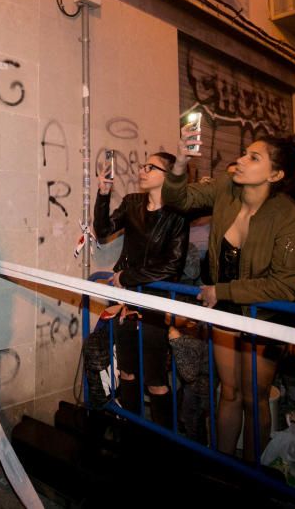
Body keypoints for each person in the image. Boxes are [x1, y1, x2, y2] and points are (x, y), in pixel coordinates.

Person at [163, 130, 295, 461]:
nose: (240, 160)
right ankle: (224, 467)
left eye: (253, 158)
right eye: (244, 153)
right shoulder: (226, 190)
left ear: (276, 174)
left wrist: (222, 290)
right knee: (228, 393)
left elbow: (284, 283)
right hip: (225, 311)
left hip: (265, 316)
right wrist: (181, 163)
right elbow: (178, 199)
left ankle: (252, 473)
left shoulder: (288, 215)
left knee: (253, 398)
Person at [93, 152, 189, 429]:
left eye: (151, 167)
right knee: (127, 372)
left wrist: (128, 276)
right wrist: (103, 193)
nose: (142, 170)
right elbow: (102, 230)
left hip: (154, 301)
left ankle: (162, 439)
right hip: (125, 298)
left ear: (168, 176)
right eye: (143, 165)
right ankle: (131, 430)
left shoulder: (177, 214)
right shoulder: (132, 202)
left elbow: (172, 266)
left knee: (156, 379)